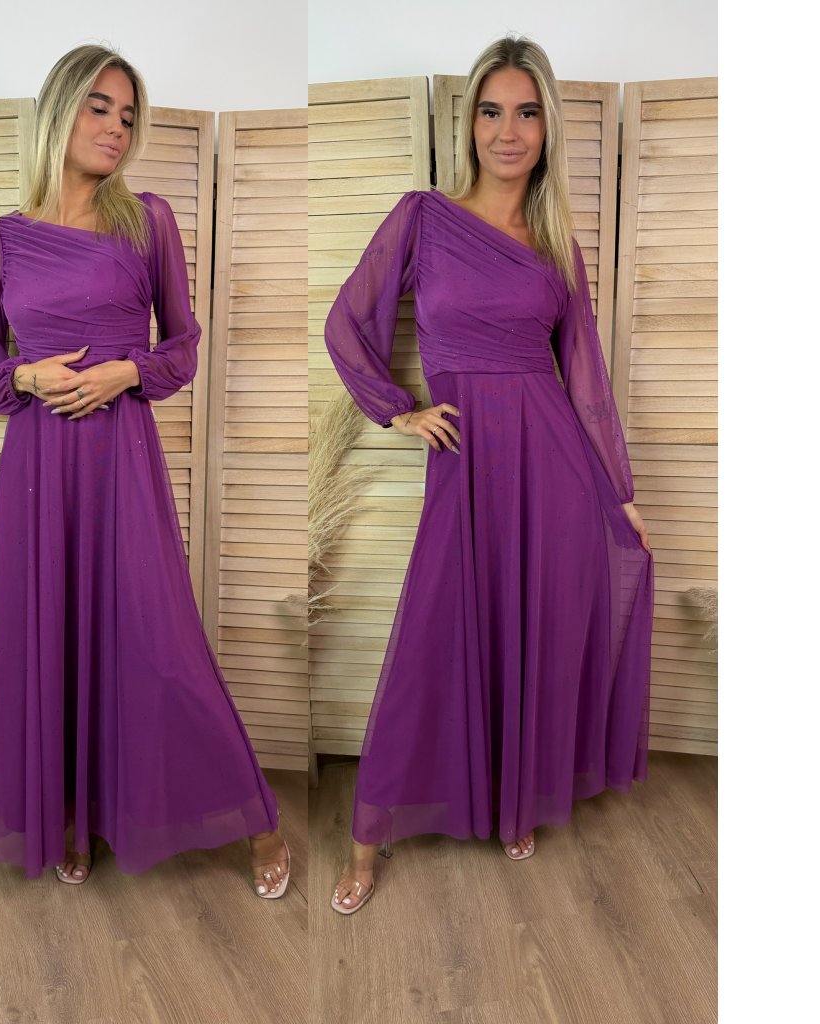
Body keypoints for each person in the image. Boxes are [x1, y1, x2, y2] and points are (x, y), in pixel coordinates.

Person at [323, 35, 654, 914]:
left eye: (528, 112)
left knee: (537, 632)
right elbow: (345, 323)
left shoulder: (556, 246)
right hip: (464, 466)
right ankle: (367, 838)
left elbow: (584, 376)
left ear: (548, 128)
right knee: (435, 635)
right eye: (492, 111)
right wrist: (398, 408)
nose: (509, 131)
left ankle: (519, 799)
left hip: (555, 468)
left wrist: (619, 493)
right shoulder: (422, 218)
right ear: (467, 123)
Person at [0, 44, 289, 897]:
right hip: (37, 471)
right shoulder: (3, 239)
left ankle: (256, 818)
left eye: (128, 115)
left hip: (122, 463)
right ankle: (71, 817)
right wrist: (28, 377)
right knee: (53, 641)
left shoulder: (146, 220)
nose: (117, 127)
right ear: (59, 110)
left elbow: (183, 346)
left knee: (159, 643)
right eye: (100, 107)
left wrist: (125, 372)